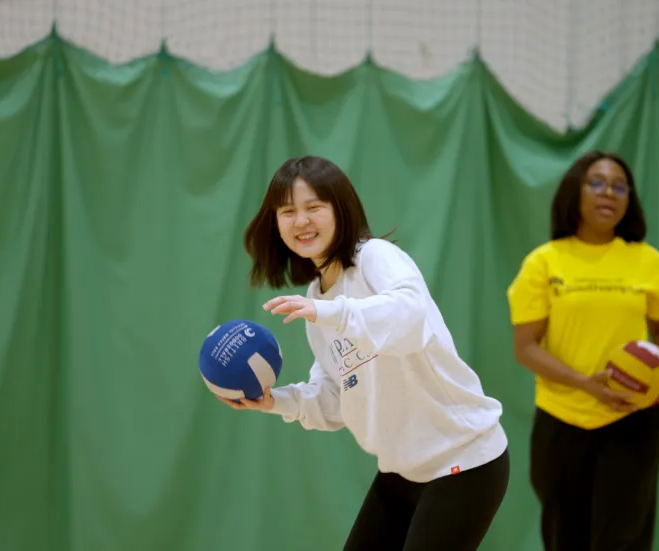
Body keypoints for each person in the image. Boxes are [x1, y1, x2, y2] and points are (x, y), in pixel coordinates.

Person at [218, 155, 510, 551]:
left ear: (340, 209)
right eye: (288, 211)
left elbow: (410, 316)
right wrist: (274, 401)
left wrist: (331, 313)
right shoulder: (316, 297)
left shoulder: (373, 257)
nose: (301, 220)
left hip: (464, 459)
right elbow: (337, 398)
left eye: (313, 207)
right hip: (402, 469)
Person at [506, 150, 659, 551]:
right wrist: (587, 384)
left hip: (634, 421)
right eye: (597, 182)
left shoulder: (649, 262)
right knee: (565, 539)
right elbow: (525, 348)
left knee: (623, 541)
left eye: (620, 186)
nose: (610, 193)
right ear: (575, 191)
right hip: (563, 423)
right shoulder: (544, 263)